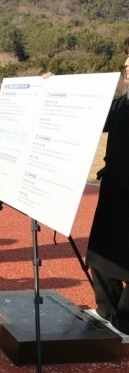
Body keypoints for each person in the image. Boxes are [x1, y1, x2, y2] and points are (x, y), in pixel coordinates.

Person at [85, 45, 129, 335]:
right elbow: (89, 117)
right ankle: (107, 311)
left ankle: (126, 322)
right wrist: (54, 90)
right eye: (127, 68)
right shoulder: (122, 103)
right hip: (114, 188)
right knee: (100, 253)